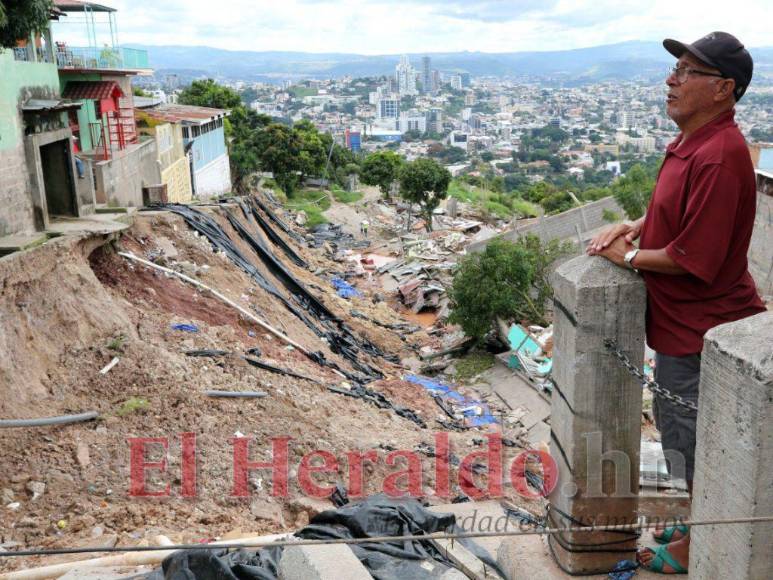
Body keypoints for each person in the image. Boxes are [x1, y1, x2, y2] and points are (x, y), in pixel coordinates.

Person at [587, 31, 766, 574]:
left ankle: (695, 548)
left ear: (723, 89)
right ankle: (695, 517)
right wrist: (634, 225)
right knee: (679, 440)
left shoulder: (717, 155)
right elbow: (674, 212)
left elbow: (695, 258)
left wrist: (628, 257)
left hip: (700, 333)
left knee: (692, 450)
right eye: (676, 69)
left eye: (688, 72)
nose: (672, 79)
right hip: (680, 329)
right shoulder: (694, 142)